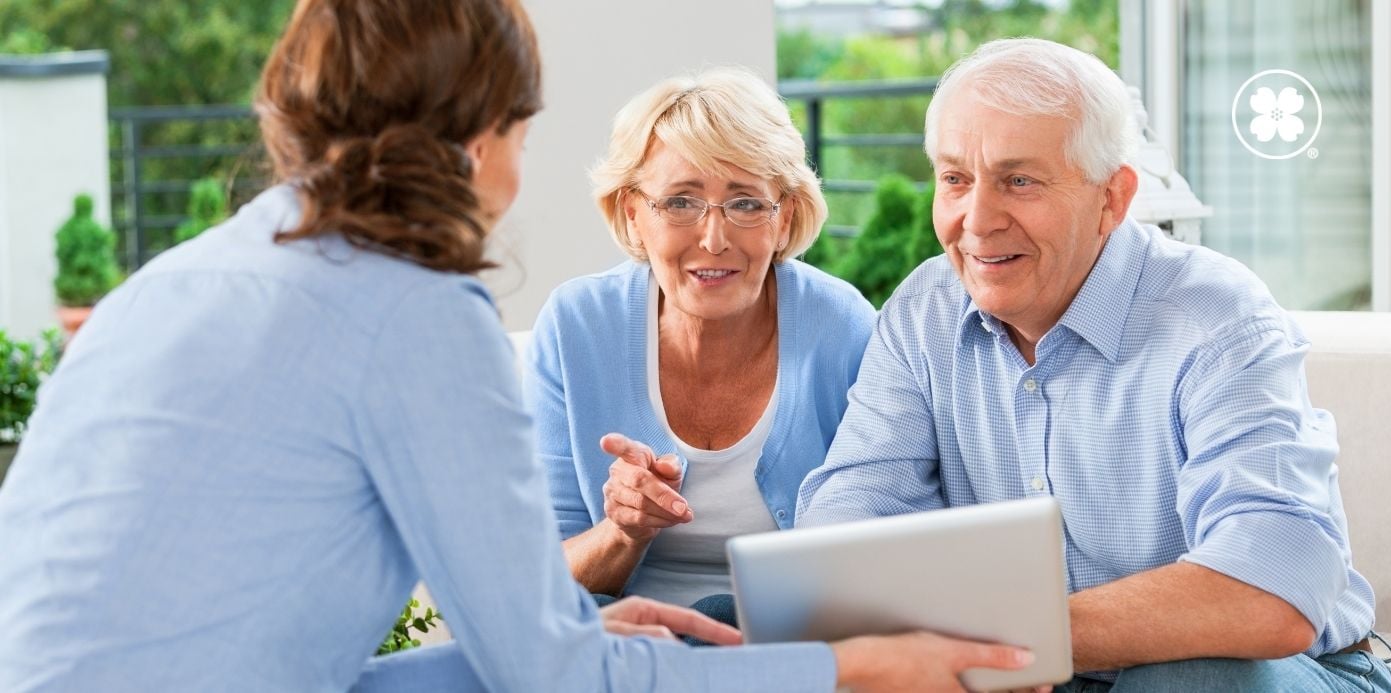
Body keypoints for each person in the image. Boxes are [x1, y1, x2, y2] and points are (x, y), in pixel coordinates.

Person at [0, 1, 1038, 691]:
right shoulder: (408, 306)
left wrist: (581, 637)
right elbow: (551, 681)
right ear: (471, 143)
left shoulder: (184, 277)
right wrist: (848, 668)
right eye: (523, 135)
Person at [796, 37, 1389, 692]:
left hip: (1280, 671)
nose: (977, 219)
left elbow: (1273, 585)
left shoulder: (1217, 319)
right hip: (1040, 670)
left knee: (1186, 680)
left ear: (1112, 198)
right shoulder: (923, 310)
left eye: (1018, 181)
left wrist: (1018, 636)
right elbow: (846, 519)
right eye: (955, 179)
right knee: (726, 627)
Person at [525, 67, 875, 624]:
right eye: (681, 202)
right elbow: (539, 581)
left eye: (745, 204)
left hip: (788, 640)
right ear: (633, 213)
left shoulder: (844, 326)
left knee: (722, 615)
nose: (714, 240)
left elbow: (882, 546)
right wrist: (622, 530)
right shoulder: (576, 326)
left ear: (783, 218)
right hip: (627, 643)